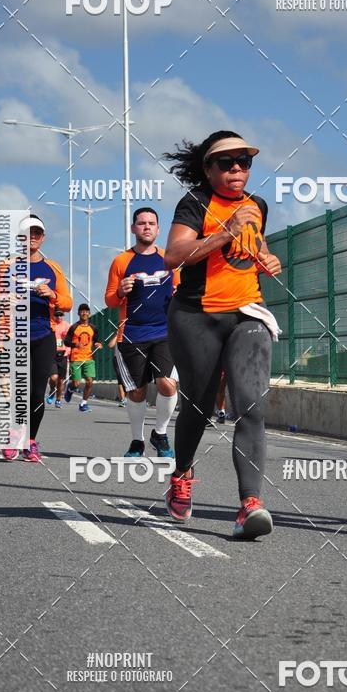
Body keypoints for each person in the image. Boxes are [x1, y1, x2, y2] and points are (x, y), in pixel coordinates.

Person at [163, 130, 282, 540]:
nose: (237, 169)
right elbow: (174, 255)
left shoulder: (258, 205)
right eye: (226, 163)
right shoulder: (194, 203)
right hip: (195, 316)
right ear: (208, 169)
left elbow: (254, 245)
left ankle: (250, 503)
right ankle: (181, 473)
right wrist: (224, 231)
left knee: (251, 403)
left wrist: (265, 256)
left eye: (244, 162)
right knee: (197, 402)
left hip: (247, 312)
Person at [0, 214, 73, 460]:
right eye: (27, 233)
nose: (32, 238)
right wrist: (4, 298)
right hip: (14, 335)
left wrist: (52, 294)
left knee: (36, 393)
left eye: (37, 233)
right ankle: (13, 435)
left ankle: (30, 441)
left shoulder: (53, 267)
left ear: (42, 238)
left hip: (43, 334)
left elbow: (67, 301)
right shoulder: (6, 265)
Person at [104, 207, 179, 457]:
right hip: (132, 335)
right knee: (137, 390)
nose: (146, 227)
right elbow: (110, 300)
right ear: (133, 228)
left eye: (151, 223)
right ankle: (137, 441)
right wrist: (120, 292)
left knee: (167, 384)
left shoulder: (169, 259)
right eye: (141, 223)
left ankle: (160, 433)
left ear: (158, 229)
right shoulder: (121, 261)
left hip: (165, 333)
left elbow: (180, 290)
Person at [63, 305, 103, 412]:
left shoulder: (93, 328)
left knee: (89, 381)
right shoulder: (74, 327)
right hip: (75, 358)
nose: (84, 313)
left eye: (86, 311)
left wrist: (98, 344)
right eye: (82, 311)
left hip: (89, 358)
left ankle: (83, 403)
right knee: (76, 383)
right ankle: (70, 389)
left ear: (89, 314)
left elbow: (97, 340)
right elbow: (66, 341)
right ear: (78, 313)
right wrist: (75, 345)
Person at [46, 309, 70, 408]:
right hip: (51, 355)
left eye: (61, 315)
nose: (59, 317)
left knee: (61, 380)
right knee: (53, 377)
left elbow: (70, 340)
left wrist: (68, 351)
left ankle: (58, 399)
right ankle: (52, 391)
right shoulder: (49, 324)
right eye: (57, 315)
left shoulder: (67, 325)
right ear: (53, 315)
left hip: (63, 355)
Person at [107, 332, 127, 406]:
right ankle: (123, 399)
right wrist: (117, 334)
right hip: (117, 358)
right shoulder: (117, 335)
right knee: (120, 378)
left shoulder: (130, 332)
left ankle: (127, 397)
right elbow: (110, 345)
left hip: (128, 358)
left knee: (128, 378)